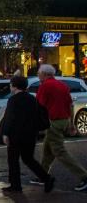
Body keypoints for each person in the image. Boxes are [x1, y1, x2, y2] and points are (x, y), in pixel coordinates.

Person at [34, 63, 87, 191]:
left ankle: (84, 176)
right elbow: (70, 104)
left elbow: (39, 106)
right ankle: (42, 175)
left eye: (39, 73)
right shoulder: (62, 85)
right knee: (48, 150)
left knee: (60, 151)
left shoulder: (45, 86)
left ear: (45, 74)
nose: (38, 75)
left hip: (52, 121)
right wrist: (70, 123)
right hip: (63, 120)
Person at [0, 75, 53, 193]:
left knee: (13, 160)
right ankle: (46, 177)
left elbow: (9, 118)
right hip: (30, 133)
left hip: (16, 134)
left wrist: (5, 133)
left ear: (14, 86)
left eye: (11, 84)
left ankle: (15, 185)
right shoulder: (32, 98)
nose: (10, 86)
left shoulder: (13, 100)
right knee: (28, 158)